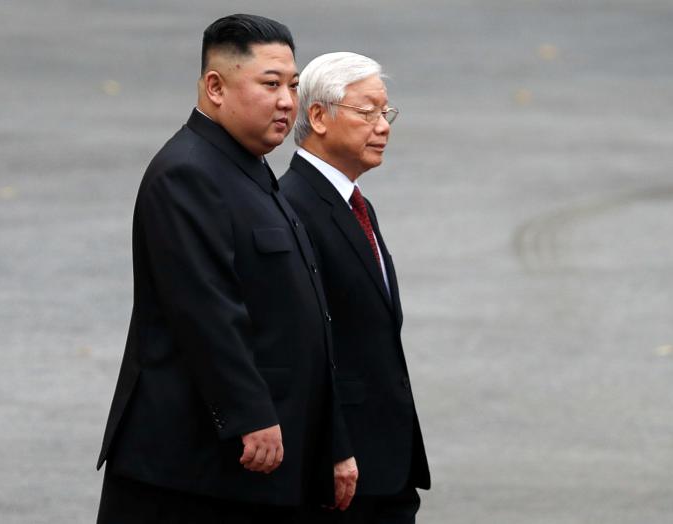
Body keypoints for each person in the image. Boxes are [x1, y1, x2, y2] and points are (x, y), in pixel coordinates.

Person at [96, 15, 352, 523]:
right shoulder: (188, 172)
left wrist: (331, 439)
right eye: (271, 84)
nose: (287, 101)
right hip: (191, 470)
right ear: (215, 86)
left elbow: (302, 318)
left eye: (294, 86)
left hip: (257, 463)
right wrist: (250, 413)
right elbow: (205, 307)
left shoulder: (250, 168)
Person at [279, 52, 431, 524]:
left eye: (386, 113)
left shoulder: (352, 203)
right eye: (367, 112)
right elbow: (299, 347)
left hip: (384, 461)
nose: (383, 126)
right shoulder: (293, 208)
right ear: (319, 117)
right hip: (342, 472)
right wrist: (333, 446)